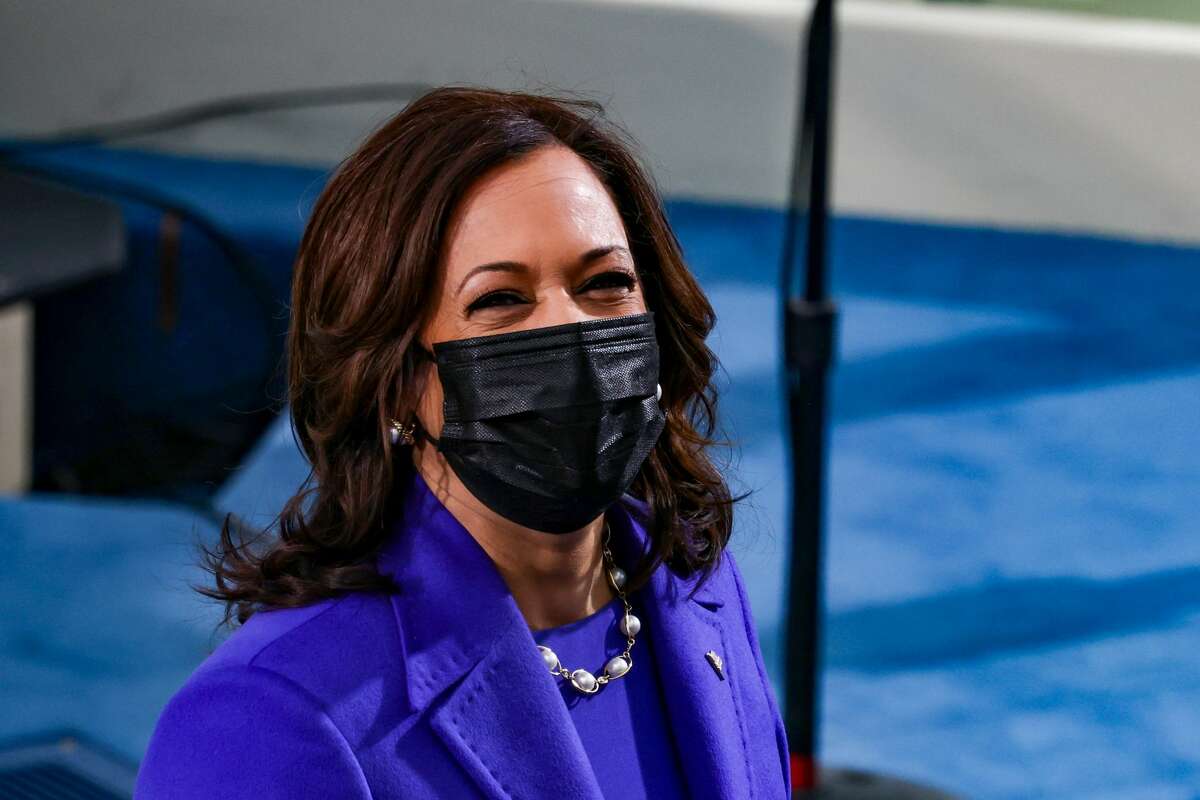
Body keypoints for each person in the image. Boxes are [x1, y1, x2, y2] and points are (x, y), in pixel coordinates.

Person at [134, 85, 790, 799]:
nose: (569, 334)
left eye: (605, 283)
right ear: (393, 377)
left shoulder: (697, 585)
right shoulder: (263, 722)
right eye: (500, 300)